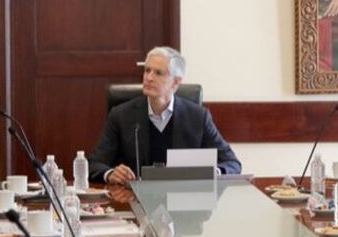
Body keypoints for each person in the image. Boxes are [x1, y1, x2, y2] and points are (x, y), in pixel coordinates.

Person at [89, 47, 241, 184]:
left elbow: (232, 162)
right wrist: (110, 174)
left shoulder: (198, 117)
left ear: (175, 82)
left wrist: (212, 173)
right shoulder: (121, 115)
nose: (149, 77)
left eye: (158, 73)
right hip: (134, 202)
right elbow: (94, 164)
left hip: (183, 206)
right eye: (147, 70)